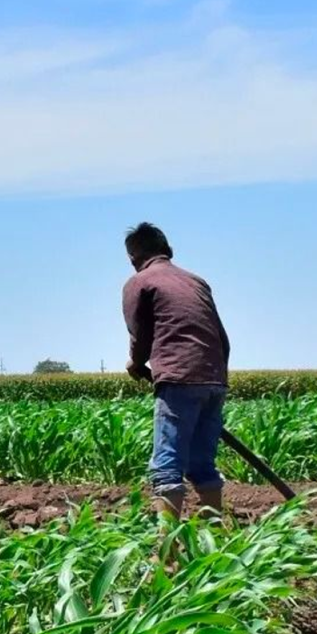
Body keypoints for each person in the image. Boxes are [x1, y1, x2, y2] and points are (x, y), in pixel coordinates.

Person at [122, 222, 231, 519]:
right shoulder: (197, 281)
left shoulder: (140, 282)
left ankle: (166, 551)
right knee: (202, 464)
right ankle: (214, 538)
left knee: (166, 465)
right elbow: (222, 338)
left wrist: (135, 362)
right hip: (215, 377)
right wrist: (213, 379)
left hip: (178, 377)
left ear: (133, 258)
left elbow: (139, 334)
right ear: (168, 250)